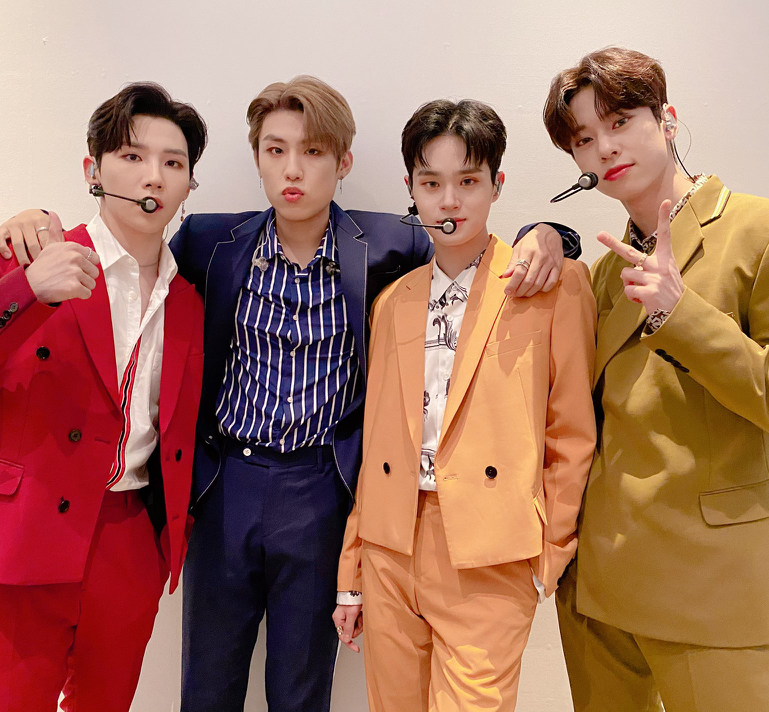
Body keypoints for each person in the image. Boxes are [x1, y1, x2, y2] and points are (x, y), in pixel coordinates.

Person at [1, 76, 577, 712]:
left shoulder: (390, 245)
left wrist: (550, 232)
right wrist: (35, 220)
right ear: (257, 158)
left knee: (302, 687)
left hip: (319, 490)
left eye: (313, 151)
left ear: (344, 162)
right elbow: (124, 242)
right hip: (225, 485)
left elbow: (465, 243)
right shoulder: (208, 243)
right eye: (276, 150)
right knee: (207, 684)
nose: (293, 169)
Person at [332, 98, 597, 712]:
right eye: (431, 183)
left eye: (468, 182)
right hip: (392, 545)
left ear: (497, 185)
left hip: (491, 550)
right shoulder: (393, 301)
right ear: (411, 188)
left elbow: (572, 430)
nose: (449, 201)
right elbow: (378, 442)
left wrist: (549, 552)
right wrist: (353, 570)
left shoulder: (550, 283)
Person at [544, 46, 769, 712]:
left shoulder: (754, 229)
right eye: (584, 139)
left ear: (666, 119)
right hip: (598, 591)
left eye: (619, 122)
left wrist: (679, 312)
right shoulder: (605, 274)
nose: (605, 147)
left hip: (712, 589)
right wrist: (545, 232)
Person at [0, 82, 207, 712]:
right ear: (93, 171)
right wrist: (27, 289)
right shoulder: (32, 255)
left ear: (189, 184)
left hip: (129, 538)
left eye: (173, 163)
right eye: (132, 156)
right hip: (28, 528)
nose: (154, 176)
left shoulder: (189, 299)